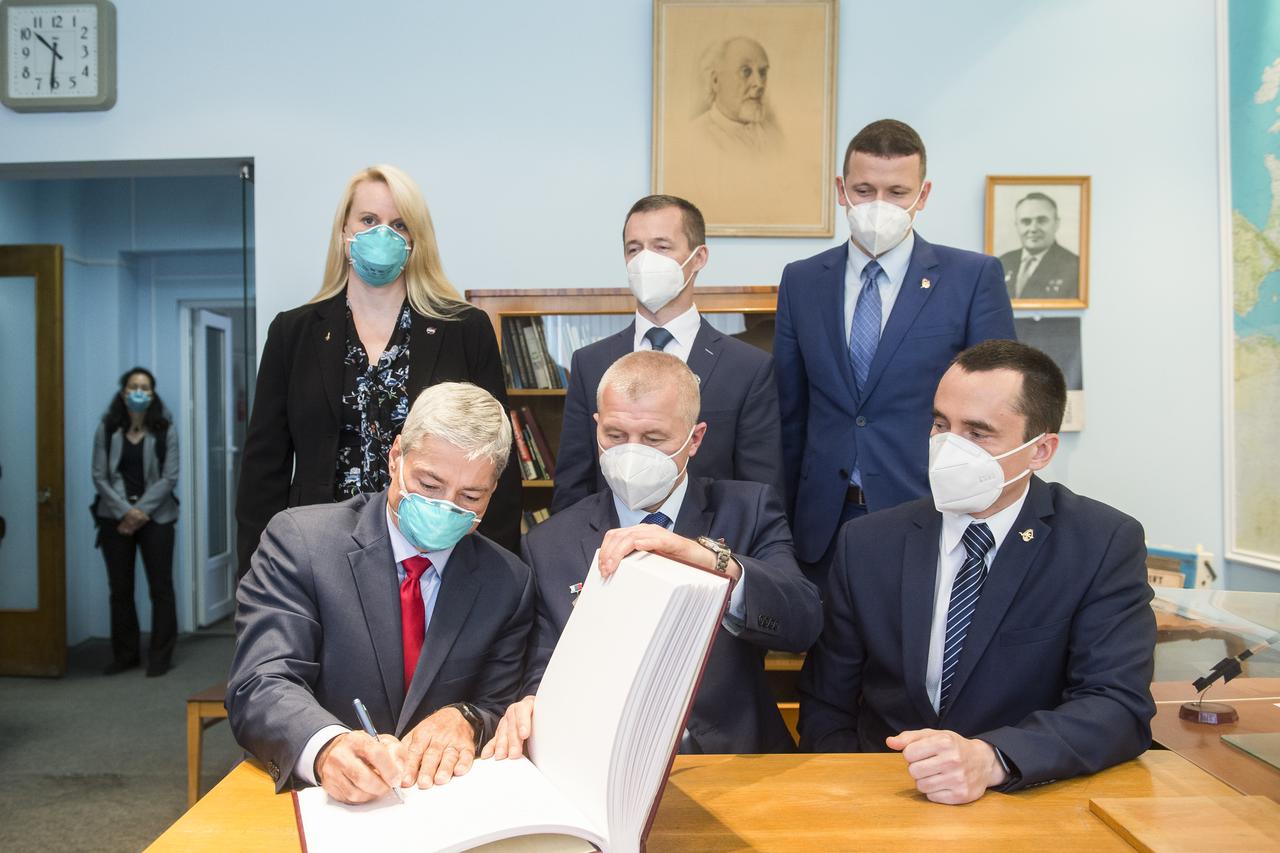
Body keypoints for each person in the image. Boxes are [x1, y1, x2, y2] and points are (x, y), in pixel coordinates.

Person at [797, 340, 1155, 804]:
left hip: (1026, 801)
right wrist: (850, 795)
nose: (948, 448)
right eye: (941, 424)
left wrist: (993, 759)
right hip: (883, 797)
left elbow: (1117, 707)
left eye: (978, 433)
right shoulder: (867, 543)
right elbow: (827, 702)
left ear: (1040, 450)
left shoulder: (1100, 542)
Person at [486, 351, 821, 759]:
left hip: (730, 758)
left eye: (653, 439)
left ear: (694, 439)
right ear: (596, 426)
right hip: (603, 760)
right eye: (614, 435)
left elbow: (802, 622)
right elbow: (542, 664)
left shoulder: (747, 510)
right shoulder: (549, 542)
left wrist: (714, 562)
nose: (631, 453)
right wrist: (535, 702)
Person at [227, 383, 533, 803]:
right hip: (321, 806)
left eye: (470, 496)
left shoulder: (508, 582)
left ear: (493, 491)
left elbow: (499, 705)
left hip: (444, 805)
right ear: (395, 458)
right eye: (429, 484)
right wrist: (326, 747)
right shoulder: (302, 542)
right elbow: (261, 681)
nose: (445, 506)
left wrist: (466, 718)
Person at [234, 164, 520, 579]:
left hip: (435, 552)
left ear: (415, 240)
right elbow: (263, 471)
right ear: (343, 233)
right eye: (369, 220)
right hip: (320, 556)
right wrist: (254, 577)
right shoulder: (293, 333)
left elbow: (497, 463)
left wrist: (499, 576)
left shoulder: (465, 329)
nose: (382, 234)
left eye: (399, 224)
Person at [774, 119, 1015, 590]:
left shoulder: (971, 277)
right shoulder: (802, 280)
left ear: (922, 196)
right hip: (823, 522)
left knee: (912, 660)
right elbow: (789, 411)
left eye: (897, 192)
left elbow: (1000, 409)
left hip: (929, 511)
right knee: (825, 661)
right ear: (842, 190)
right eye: (864, 190)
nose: (879, 205)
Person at [552, 194, 783, 513]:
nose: (646, 260)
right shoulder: (590, 363)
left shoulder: (748, 368)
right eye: (634, 249)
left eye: (662, 247)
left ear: (699, 257)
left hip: (706, 548)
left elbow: (759, 491)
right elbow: (572, 485)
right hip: (608, 547)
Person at [91, 367, 179, 677]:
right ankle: (125, 654)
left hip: (157, 517)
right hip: (114, 519)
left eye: (145, 386)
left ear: (153, 394)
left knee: (161, 588)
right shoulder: (108, 427)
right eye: (133, 386)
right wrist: (124, 512)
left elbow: (170, 477)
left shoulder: (165, 428)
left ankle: (160, 656)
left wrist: (141, 511)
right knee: (120, 588)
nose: (138, 391)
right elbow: (100, 476)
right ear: (123, 391)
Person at [689, 36, 783, 156]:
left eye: (763, 72)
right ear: (716, 81)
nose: (759, 83)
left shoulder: (774, 136)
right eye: (746, 71)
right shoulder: (695, 137)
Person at [999, 192, 1081, 300]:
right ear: (1017, 225)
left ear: (1056, 223)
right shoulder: (1003, 262)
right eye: (1026, 221)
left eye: (1042, 221)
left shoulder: (1075, 266)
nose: (1033, 229)